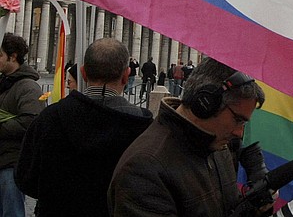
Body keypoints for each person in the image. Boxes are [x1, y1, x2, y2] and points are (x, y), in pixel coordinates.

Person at [109, 58, 267, 216]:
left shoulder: (216, 146)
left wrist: (254, 209)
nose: (239, 133)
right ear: (206, 103)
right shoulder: (144, 169)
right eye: (238, 120)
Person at [15, 38, 152, 217]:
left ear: (83, 73)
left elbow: (26, 179)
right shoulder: (142, 125)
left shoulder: (50, 117)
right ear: (126, 75)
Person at [0, 33, 44, 217]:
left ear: (13, 56)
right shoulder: (4, 83)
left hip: (12, 163)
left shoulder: (28, 87)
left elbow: (31, 123)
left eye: (0, 55)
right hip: (3, 159)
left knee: (12, 212)